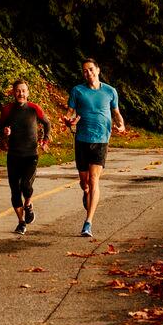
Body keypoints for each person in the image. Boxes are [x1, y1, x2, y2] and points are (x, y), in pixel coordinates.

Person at [63, 60, 125, 237]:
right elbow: (69, 112)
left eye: (91, 69)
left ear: (98, 70)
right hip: (82, 139)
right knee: (84, 182)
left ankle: (88, 223)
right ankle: (86, 192)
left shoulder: (110, 91)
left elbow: (117, 113)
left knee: (94, 180)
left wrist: (121, 125)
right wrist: (68, 119)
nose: (88, 73)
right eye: (85, 71)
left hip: (101, 140)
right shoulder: (77, 91)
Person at [0, 79, 50, 234]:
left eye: (23, 90)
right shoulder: (7, 110)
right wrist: (4, 132)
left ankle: (28, 205)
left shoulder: (34, 108)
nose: (21, 93)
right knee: (14, 190)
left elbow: (47, 124)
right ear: (13, 92)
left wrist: (45, 141)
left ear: (28, 93)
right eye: (18, 90)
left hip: (31, 155)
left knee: (26, 185)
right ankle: (21, 222)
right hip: (13, 155)